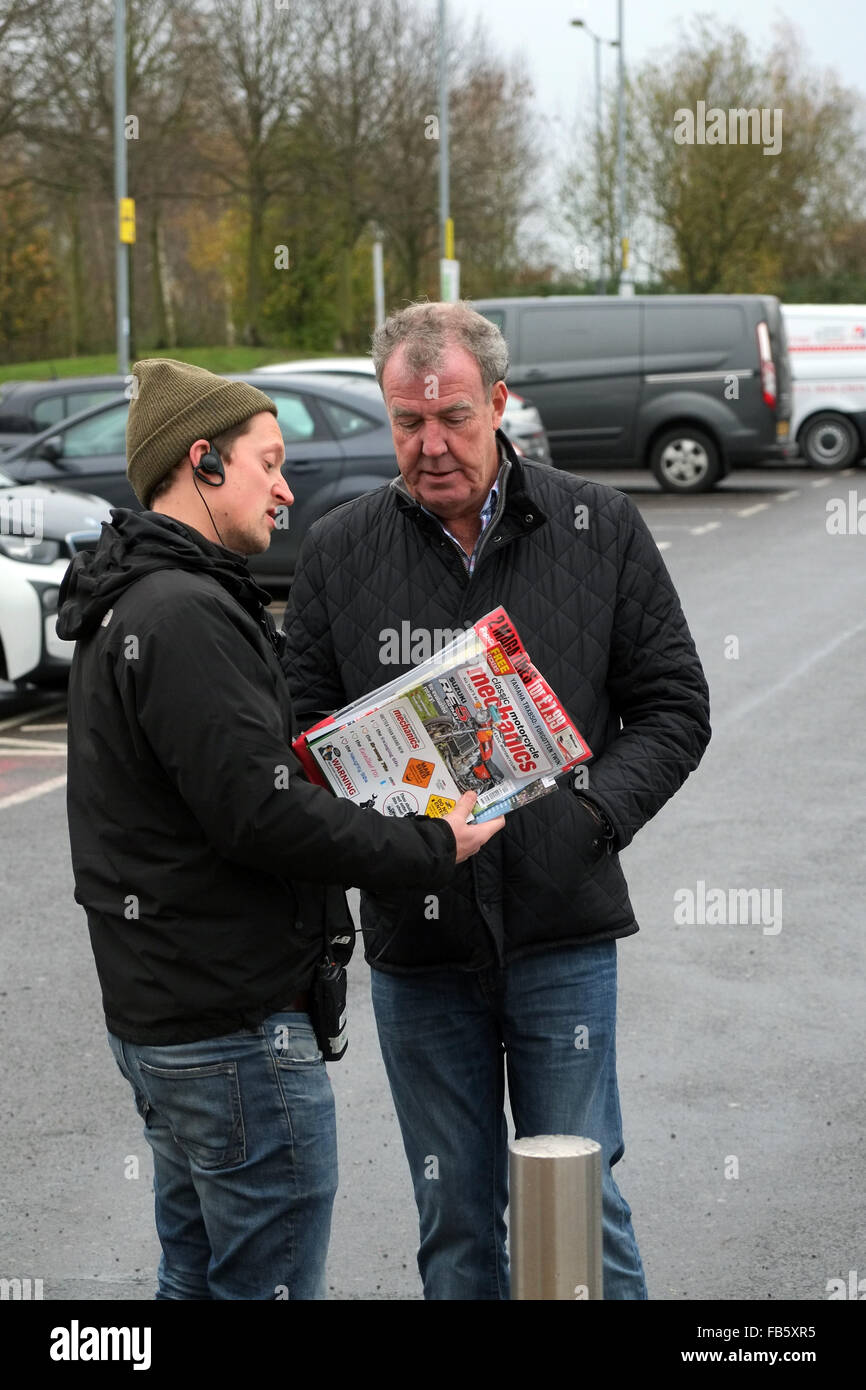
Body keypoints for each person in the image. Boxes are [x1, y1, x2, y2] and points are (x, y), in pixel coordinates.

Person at [282, 302, 712, 1300]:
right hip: (418, 943)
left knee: (576, 1197)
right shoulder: (339, 549)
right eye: (405, 422)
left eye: (454, 419)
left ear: (501, 405)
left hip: (561, 926)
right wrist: (374, 822)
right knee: (455, 1215)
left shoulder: (596, 525)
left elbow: (672, 707)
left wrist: (589, 815)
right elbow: (298, 743)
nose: (430, 447)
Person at [56, 358, 501, 1301]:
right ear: (203, 462)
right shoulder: (182, 613)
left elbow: (214, 787)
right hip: (233, 1031)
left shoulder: (133, 601)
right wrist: (430, 843)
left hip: (167, 1017)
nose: (287, 487)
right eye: (270, 461)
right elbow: (257, 815)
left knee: (198, 1275)